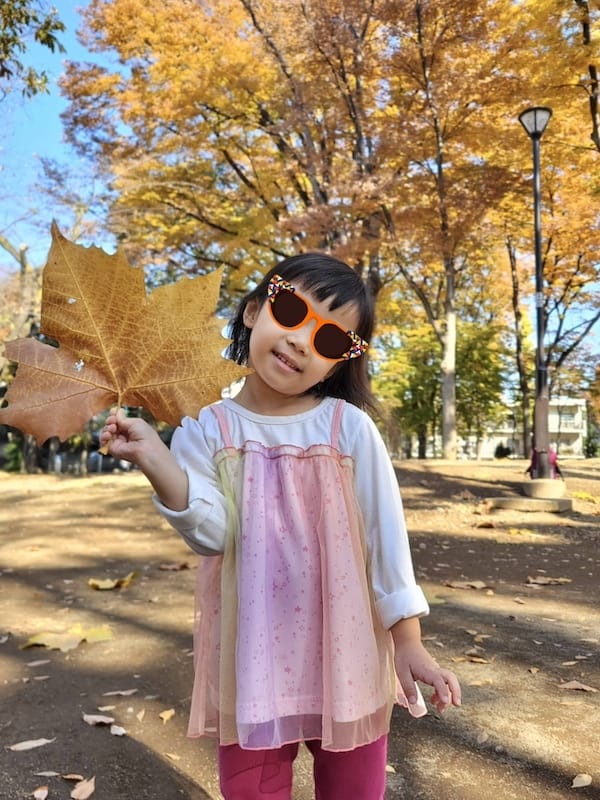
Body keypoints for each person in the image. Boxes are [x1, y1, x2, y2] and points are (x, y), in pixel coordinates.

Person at [101, 253, 461, 800]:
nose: (300, 340)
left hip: (349, 653)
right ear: (253, 311)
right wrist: (158, 461)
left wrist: (407, 640)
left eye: (331, 340)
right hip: (252, 657)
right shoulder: (207, 429)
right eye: (291, 310)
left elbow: (385, 538)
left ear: (339, 363)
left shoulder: (348, 430)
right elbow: (213, 534)